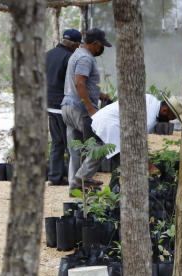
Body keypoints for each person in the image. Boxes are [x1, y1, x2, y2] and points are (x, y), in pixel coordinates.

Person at [61, 28, 112, 193]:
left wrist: (101, 95)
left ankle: (74, 188)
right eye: (101, 45)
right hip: (80, 108)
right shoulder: (85, 58)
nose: (101, 49)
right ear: (95, 43)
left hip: (67, 106)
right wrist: (90, 109)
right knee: (100, 144)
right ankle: (81, 179)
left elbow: (81, 83)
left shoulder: (76, 54)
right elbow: (80, 83)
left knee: (75, 149)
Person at [91, 93, 181, 178]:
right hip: (111, 124)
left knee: (98, 151)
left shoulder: (151, 99)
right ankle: (118, 188)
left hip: (104, 117)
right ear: (164, 110)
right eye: (169, 118)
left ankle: (80, 180)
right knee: (123, 159)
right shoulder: (149, 120)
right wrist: (150, 167)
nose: (168, 121)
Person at [45, 29, 82, 186]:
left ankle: (55, 177)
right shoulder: (70, 58)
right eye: (78, 45)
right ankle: (74, 178)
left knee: (56, 142)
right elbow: (76, 82)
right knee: (71, 144)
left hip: (49, 105)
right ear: (74, 44)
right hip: (63, 106)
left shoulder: (48, 54)